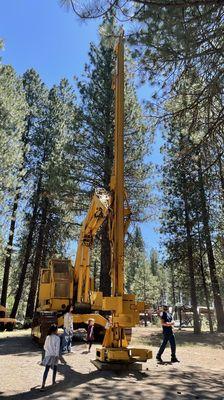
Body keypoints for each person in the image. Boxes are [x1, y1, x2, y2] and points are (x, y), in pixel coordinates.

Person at [41, 324, 60, 390]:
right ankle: (53, 382)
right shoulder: (57, 338)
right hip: (54, 355)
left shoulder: (48, 337)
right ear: (55, 330)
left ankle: (43, 385)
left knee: (46, 369)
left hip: (48, 355)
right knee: (55, 368)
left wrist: (48, 351)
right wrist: (57, 356)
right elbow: (57, 348)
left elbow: (44, 347)